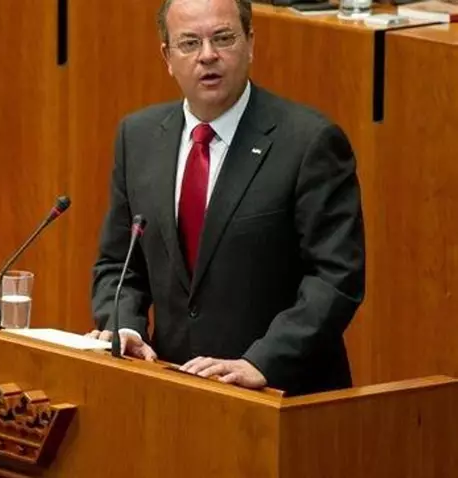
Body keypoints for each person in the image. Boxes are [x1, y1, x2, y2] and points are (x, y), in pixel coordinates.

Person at [86, 0, 365, 396]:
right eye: (189, 43)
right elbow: (119, 264)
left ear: (250, 43)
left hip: (281, 397)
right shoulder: (139, 137)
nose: (207, 55)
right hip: (174, 388)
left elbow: (335, 278)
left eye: (223, 38)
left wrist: (261, 361)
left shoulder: (309, 142)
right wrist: (124, 327)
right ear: (167, 57)